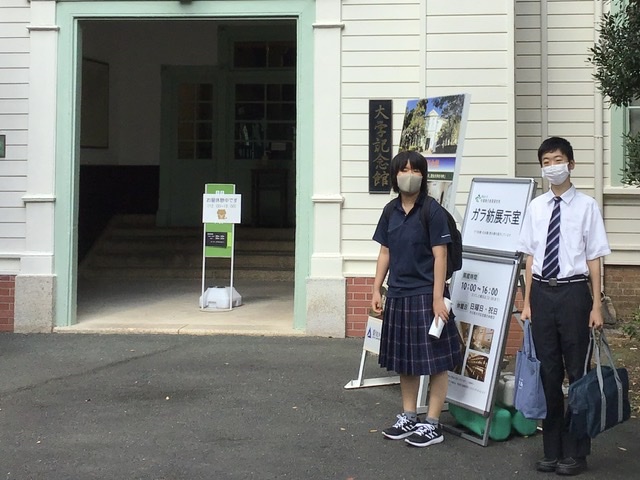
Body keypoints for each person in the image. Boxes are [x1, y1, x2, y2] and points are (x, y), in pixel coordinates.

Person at [517, 137, 611, 476]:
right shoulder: (536, 207)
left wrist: (596, 305)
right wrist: (527, 302)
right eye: (546, 161)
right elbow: (529, 258)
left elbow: (595, 259)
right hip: (542, 293)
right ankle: (552, 449)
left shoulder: (587, 207)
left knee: (578, 374)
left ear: (570, 164)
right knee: (548, 373)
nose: (552, 166)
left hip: (574, 295)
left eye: (557, 159)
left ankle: (577, 452)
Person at [371, 150, 462, 447]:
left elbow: (440, 255)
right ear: (395, 175)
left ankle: (432, 423)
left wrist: (438, 297)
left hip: (427, 295)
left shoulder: (432, 210)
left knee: (436, 362)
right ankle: (409, 416)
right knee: (405, 361)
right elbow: (385, 251)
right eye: (404, 169)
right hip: (398, 294)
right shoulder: (390, 210)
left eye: (415, 169)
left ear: (423, 176)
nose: (409, 174)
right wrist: (376, 289)